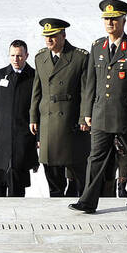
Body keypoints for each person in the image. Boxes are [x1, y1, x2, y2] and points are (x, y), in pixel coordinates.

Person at [72, 0, 127, 213]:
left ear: (124, 20)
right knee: (95, 158)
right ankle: (87, 201)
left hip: (125, 115)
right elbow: (90, 82)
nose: (110, 23)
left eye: (114, 19)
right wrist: (86, 112)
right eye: (107, 19)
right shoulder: (97, 46)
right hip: (100, 113)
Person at [30, 18, 89, 197]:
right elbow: (37, 90)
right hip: (48, 120)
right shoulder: (41, 58)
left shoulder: (79, 57)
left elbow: (86, 91)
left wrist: (83, 117)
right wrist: (33, 117)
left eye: (53, 36)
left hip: (70, 121)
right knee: (50, 165)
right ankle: (55, 197)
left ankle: (82, 198)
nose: (49, 40)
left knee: (77, 165)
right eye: (46, 37)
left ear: (63, 35)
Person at [0, 40, 38, 197]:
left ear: (26, 55)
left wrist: (38, 138)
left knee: (18, 191)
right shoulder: (0, 75)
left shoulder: (34, 77)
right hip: (0, 141)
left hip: (23, 140)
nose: (16, 59)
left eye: (19, 56)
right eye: (13, 55)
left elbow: (38, 110)